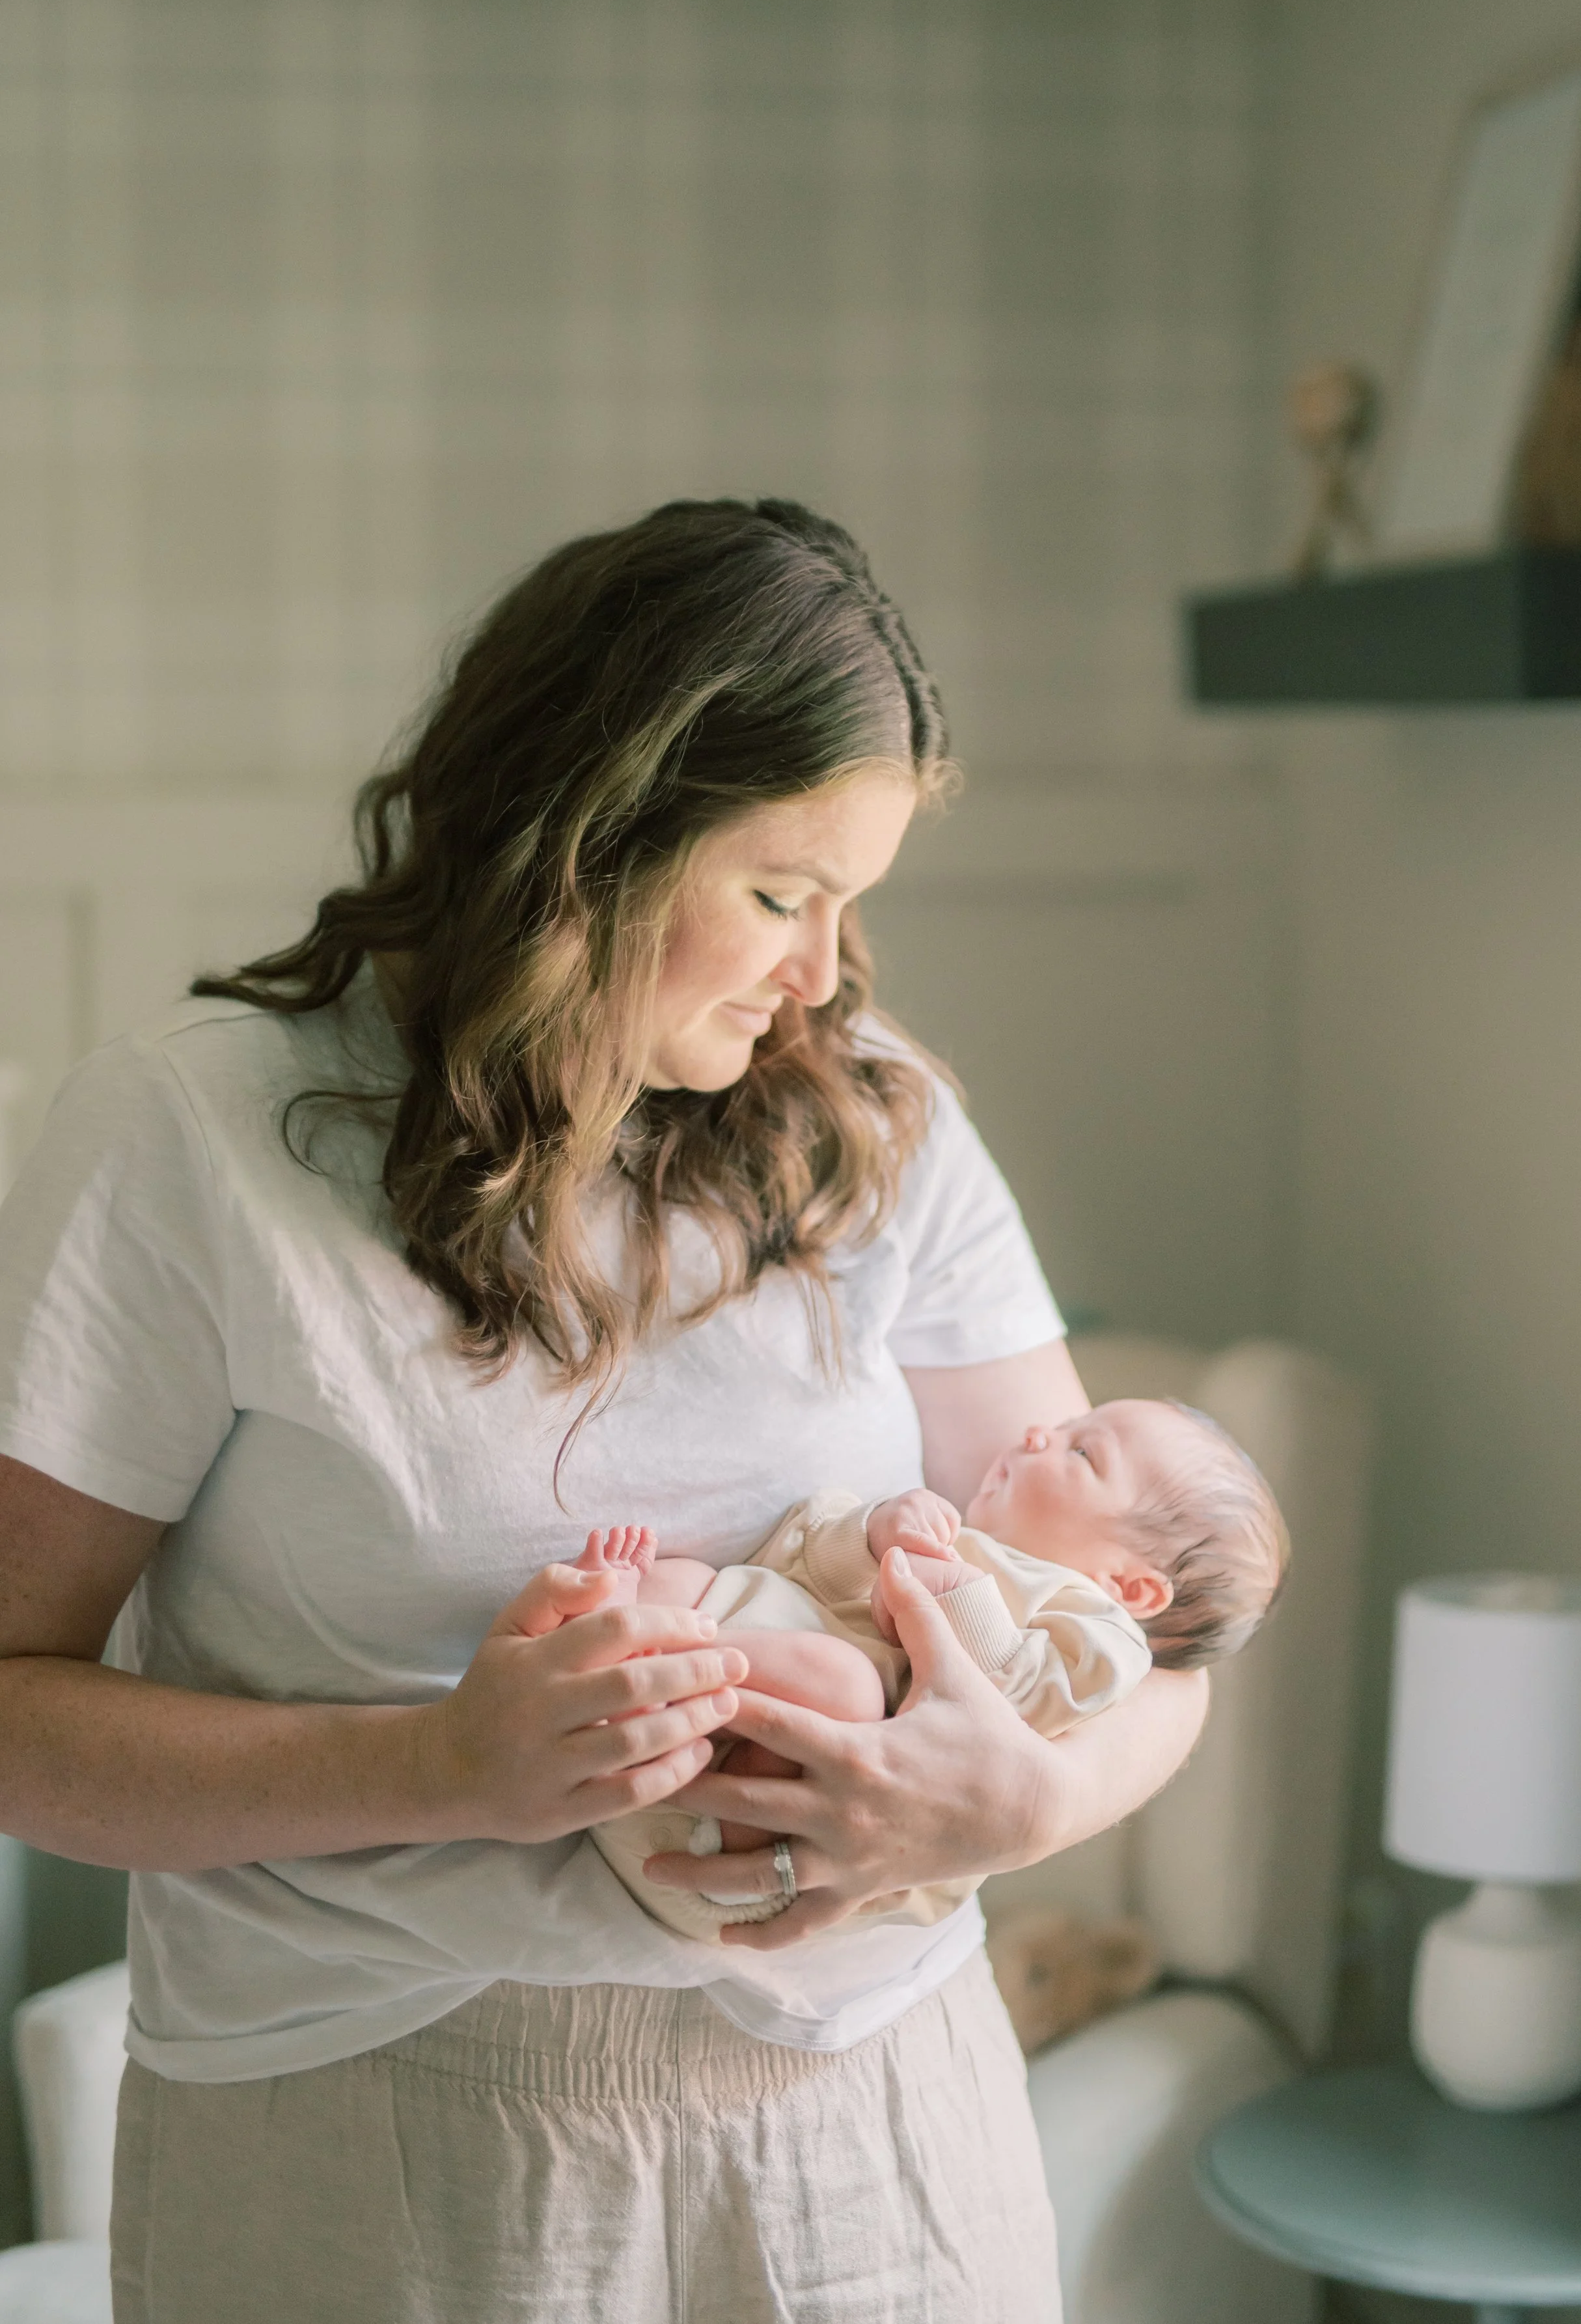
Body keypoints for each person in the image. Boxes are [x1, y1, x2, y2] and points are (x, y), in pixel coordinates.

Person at [0, 498, 1209, 2324]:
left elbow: (1152, 1638)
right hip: (377, 2147)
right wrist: (436, 1771)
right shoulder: (190, 1142)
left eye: (852, 903)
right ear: (584, 848)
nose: (824, 975)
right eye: (782, 896)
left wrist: (1015, 1799)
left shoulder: (880, 1128)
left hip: (875, 2136)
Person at [588, 1396, 1287, 1939]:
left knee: (845, 1682)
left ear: (1129, 1587)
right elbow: (801, 1566)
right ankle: (615, 1647)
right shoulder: (959, 1532)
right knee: (688, 1581)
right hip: (677, 1781)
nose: (1039, 1433)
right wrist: (871, 1536)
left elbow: (1020, 1696)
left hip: (746, 1854)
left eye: (1082, 1451)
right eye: (1067, 1423)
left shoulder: (1097, 1637)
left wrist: (951, 1591)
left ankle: (646, 1678)